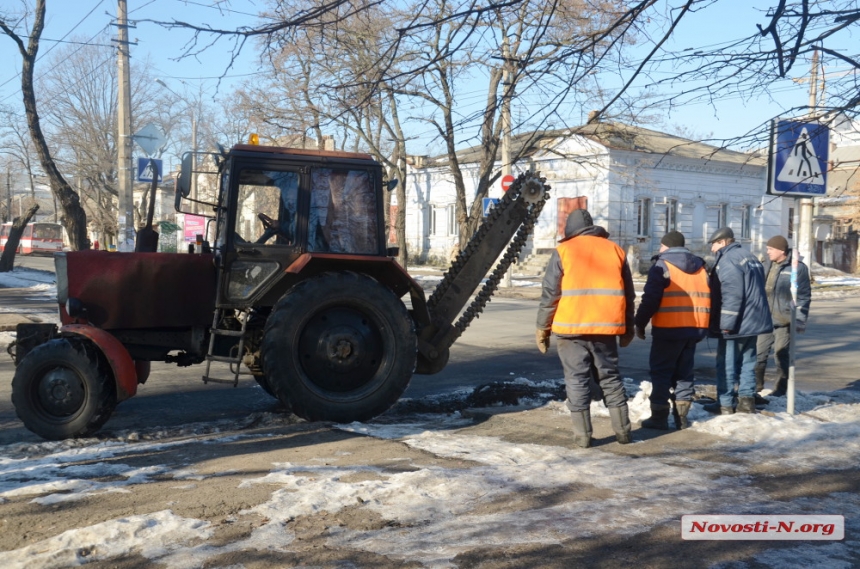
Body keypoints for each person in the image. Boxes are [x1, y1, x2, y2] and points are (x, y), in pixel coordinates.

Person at [536, 209, 636, 448]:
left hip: (570, 329)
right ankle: (623, 432)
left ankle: (582, 437)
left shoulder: (563, 251)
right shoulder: (615, 250)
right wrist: (628, 326)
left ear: (569, 230)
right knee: (610, 378)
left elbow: (550, 293)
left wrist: (542, 327)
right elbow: (629, 294)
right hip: (606, 329)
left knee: (576, 380)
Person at [634, 231, 710, 430]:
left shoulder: (662, 265)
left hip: (668, 328)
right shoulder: (701, 267)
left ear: (666, 246)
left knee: (661, 372)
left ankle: (659, 418)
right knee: (684, 373)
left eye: (661, 246)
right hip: (694, 329)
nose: (659, 249)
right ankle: (681, 418)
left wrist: (639, 323)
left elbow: (650, 299)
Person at [704, 227, 772, 415]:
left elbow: (732, 294)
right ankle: (747, 401)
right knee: (748, 362)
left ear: (724, 242)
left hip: (737, 323)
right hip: (754, 320)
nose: (712, 249)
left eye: (714, 244)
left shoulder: (729, 260)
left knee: (726, 363)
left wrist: (726, 324)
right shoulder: (749, 256)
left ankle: (724, 404)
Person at [755, 235, 811, 399]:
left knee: (781, 355)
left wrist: (799, 319)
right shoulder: (766, 264)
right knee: (759, 354)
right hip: (764, 319)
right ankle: (756, 387)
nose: (768, 251)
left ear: (781, 251)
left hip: (784, 320)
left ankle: (780, 390)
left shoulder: (797, 268)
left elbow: (804, 296)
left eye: (771, 249)